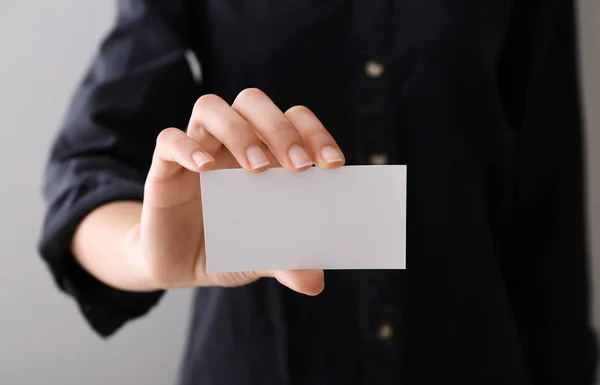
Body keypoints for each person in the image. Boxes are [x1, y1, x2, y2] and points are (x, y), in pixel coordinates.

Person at [39, 1, 597, 384]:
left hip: (470, 357)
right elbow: (87, 168)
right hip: (259, 361)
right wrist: (147, 249)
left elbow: (547, 203)